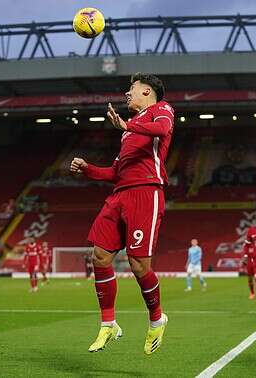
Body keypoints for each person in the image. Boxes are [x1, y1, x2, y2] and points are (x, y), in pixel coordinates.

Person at [70, 73, 173, 355]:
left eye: (132, 89)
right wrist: (88, 169)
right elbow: (116, 172)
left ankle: (156, 319)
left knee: (139, 265)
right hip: (120, 195)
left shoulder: (161, 110)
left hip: (146, 193)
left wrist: (127, 124)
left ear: (148, 92)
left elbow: (162, 130)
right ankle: (108, 323)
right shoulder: (129, 131)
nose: (127, 94)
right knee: (99, 256)